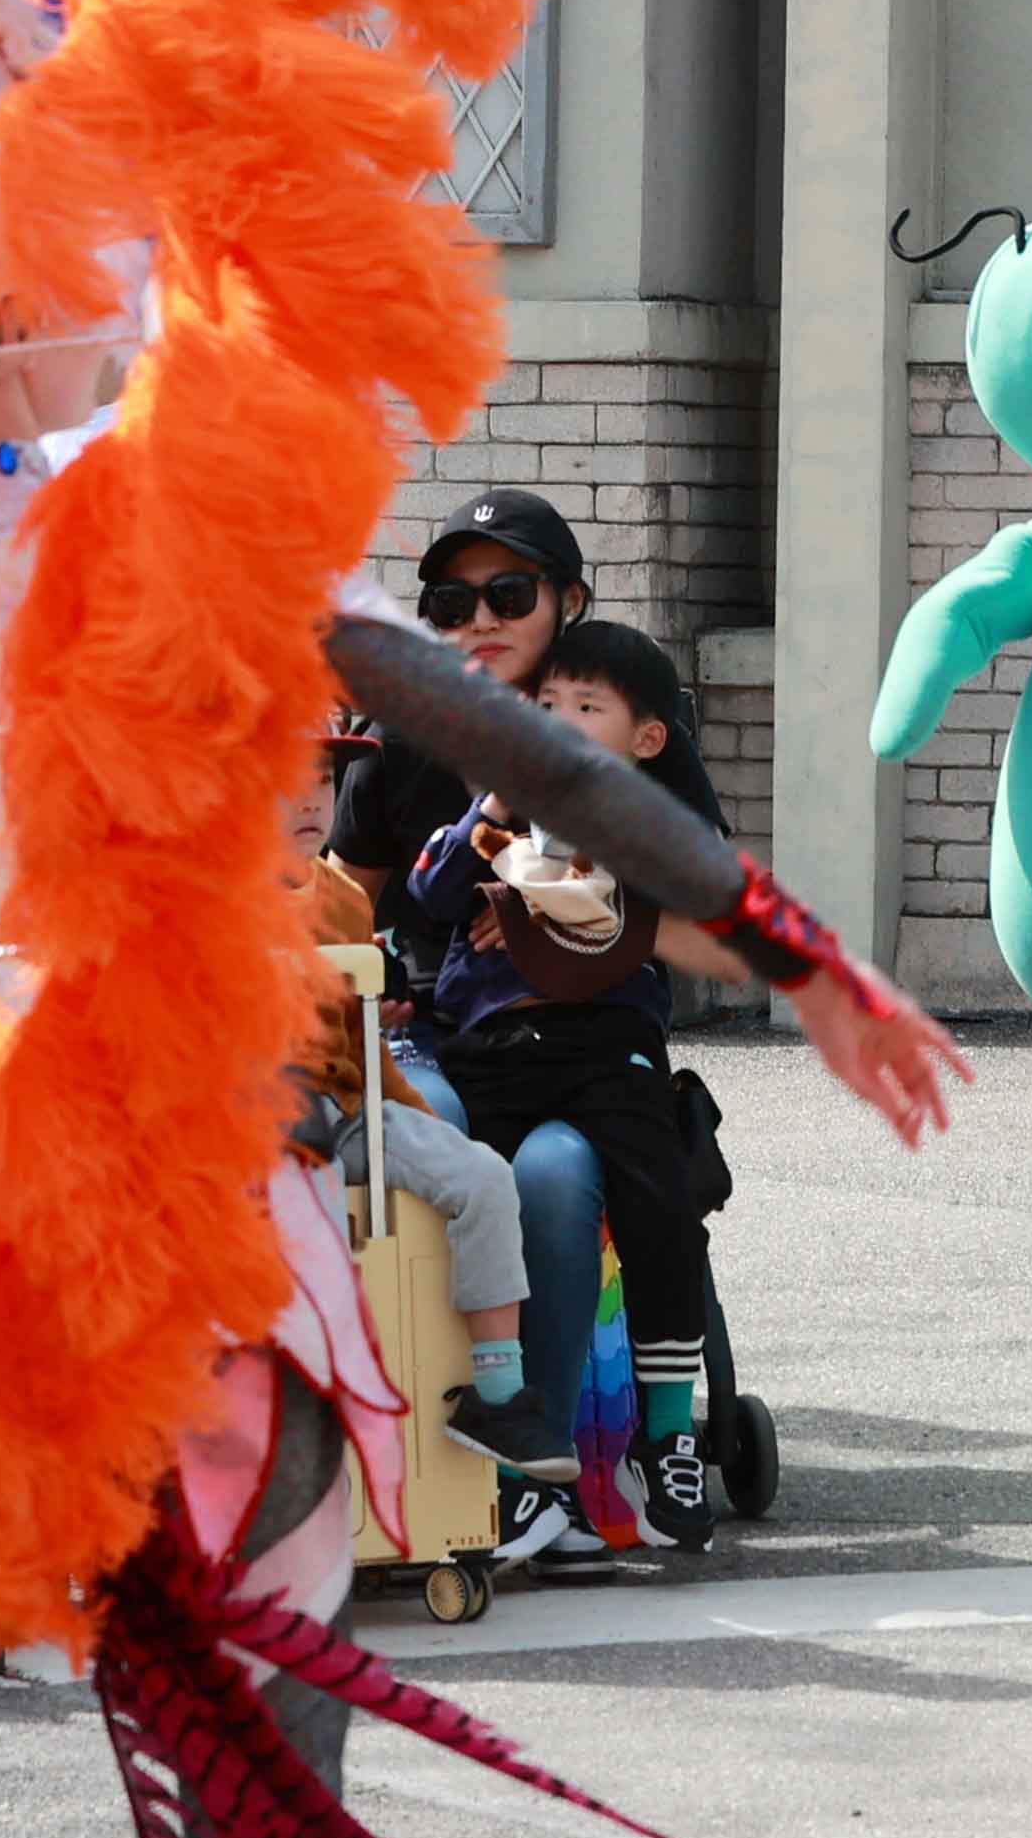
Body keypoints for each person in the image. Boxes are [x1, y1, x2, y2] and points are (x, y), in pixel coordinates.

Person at [398, 613, 730, 1549]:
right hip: (495, 1046)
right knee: (465, 1180)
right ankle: (503, 1443)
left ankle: (664, 1434)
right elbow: (426, 897)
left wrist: (554, 907)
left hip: (605, 1043)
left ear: (646, 739)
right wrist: (494, 817)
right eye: (547, 706)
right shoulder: (498, 809)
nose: (559, 721)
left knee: (658, 1189)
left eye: (588, 708)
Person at [285, 769, 573, 1476]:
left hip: (348, 1108)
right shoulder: (202, 898)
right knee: (306, 1197)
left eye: (321, 780)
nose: (309, 799)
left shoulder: (346, 900)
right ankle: (301, 1400)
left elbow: (363, 1044)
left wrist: (420, 1122)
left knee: (482, 1177)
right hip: (253, 1121)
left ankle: (499, 1399)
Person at [331, 484, 593, 987]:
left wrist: (547, 905)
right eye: (453, 604)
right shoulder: (396, 739)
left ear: (571, 599)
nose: (481, 621)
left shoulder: (623, 720)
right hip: (431, 1028)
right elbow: (338, 909)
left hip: (592, 1023)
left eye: (510, 595)